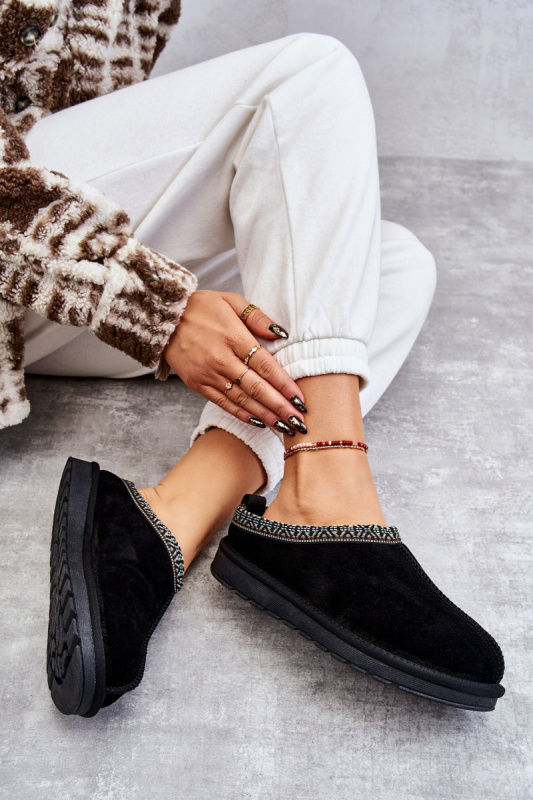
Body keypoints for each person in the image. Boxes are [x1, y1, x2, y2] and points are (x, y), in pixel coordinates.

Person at [1, 2, 505, 717]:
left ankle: (170, 518)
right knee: (309, 74)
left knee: (392, 265)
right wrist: (147, 302)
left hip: (31, 292)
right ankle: (327, 496)